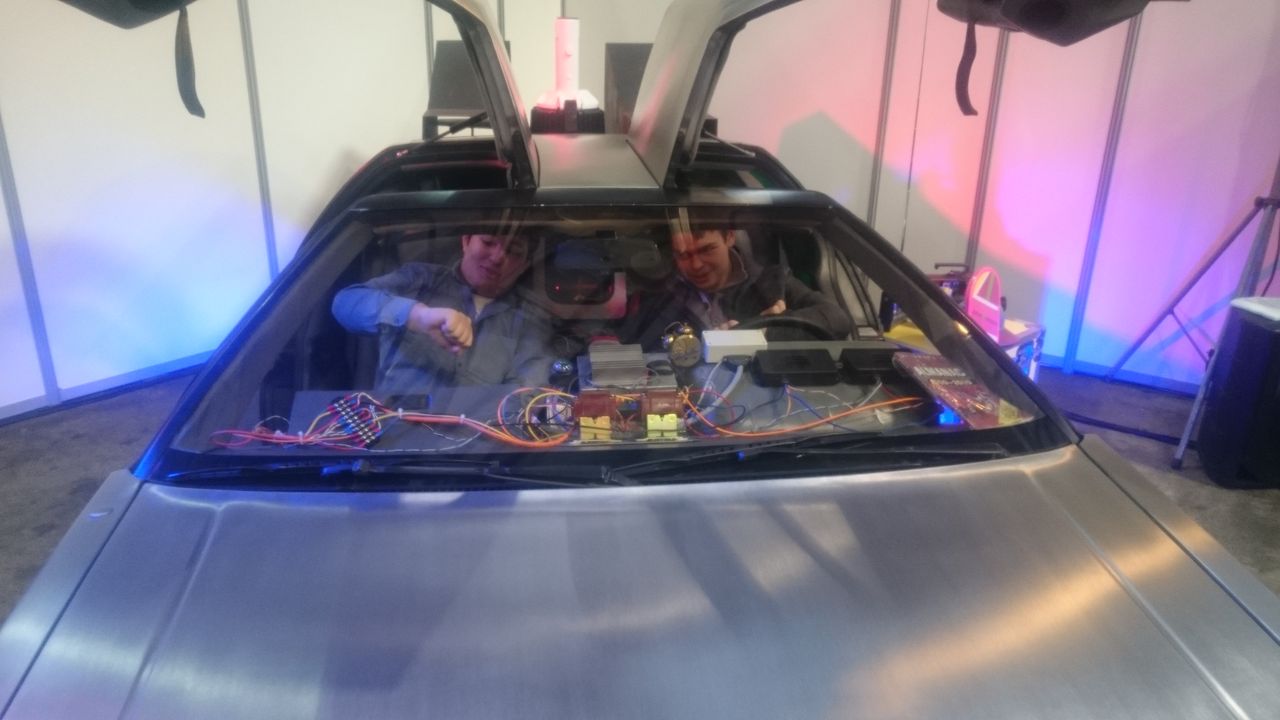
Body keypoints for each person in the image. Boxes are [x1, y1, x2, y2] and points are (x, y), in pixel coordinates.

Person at [332, 233, 552, 396]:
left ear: (523, 265)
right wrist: (417, 315)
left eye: (514, 251)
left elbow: (528, 396)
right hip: (394, 435)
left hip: (479, 441)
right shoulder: (419, 279)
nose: (497, 257)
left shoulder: (528, 321)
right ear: (466, 241)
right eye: (488, 242)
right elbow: (345, 303)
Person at [624, 228, 852, 348]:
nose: (696, 265)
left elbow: (837, 319)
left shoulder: (772, 282)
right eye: (683, 255)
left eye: (706, 250)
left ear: (730, 237)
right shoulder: (659, 293)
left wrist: (764, 332)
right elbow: (631, 346)